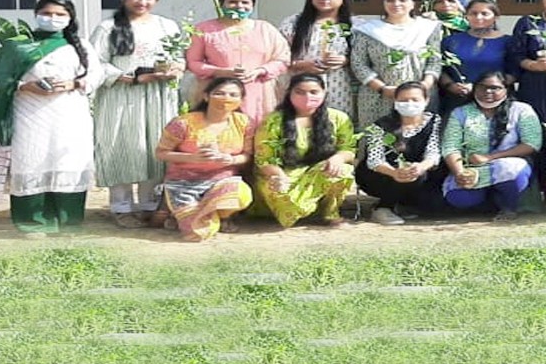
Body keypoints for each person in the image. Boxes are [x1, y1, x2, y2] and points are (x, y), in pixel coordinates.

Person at [0, 0, 98, 234]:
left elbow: (95, 75)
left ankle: (69, 222)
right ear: (36, 15)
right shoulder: (18, 46)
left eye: (60, 15)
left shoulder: (81, 46)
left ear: (70, 18)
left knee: (68, 162)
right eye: (47, 14)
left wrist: (73, 84)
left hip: (69, 115)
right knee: (30, 161)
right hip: (29, 114)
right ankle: (32, 222)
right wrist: (25, 86)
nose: (53, 18)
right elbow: (0, 81)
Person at [91, 0, 185, 228]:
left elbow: (179, 58)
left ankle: (149, 205)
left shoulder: (167, 26)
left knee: (154, 146)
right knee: (121, 146)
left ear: (156, 0)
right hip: (121, 96)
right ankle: (121, 206)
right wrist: (125, 77)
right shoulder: (108, 27)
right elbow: (95, 63)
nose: (142, 2)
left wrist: (174, 69)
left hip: (158, 96)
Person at [251, 73, 358, 229]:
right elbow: (264, 159)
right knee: (282, 196)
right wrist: (280, 177)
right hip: (282, 173)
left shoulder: (339, 118)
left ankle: (330, 213)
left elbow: (348, 149)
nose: (307, 96)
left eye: (314, 92)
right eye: (300, 92)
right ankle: (304, 209)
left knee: (343, 171)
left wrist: (337, 159)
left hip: (319, 172)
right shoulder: (273, 120)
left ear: (324, 92)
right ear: (289, 93)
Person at [154, 78, 255, 242]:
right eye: (219, 93)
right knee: (197, 234)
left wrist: (229, 159)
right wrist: (193, 158)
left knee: (241, 195)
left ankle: (214, 214)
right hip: (183, 182)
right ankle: (183, 209)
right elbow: (161, 153)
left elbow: (247, 156)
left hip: (221, 181)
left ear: (241, 100)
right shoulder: (183, 123)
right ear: (206, 96)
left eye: (233, 95)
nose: (226, 98)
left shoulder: (244, 123)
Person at [442, 70, 544, 221]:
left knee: (511, 170)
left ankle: (508, 207)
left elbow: (532, 144)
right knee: (458, 198)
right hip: (472, 169)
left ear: (506, 90)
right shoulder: (460, 113)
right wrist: (460, 173)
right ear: (475, 88)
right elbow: (451, 146)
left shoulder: (521, 110)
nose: (488, 91)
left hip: (508, 165)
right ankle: (489, 202)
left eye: (495, 88)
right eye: (482, 87)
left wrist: (490, 157)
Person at [187, 0, 289, 128]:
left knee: (257, 130)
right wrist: (221, 72)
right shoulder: (204, 29)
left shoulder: (265, 29)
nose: (239, 6)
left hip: (258, 91)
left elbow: (283, 59)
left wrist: (260, 71)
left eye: (245, 2)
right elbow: (193, 62)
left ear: (252, 5)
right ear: (222, 4)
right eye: (233, 2)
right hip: (219, 91)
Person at [351, 0, 443, 129]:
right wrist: (383, 89)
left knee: (418, 140)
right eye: (390, 0)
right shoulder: (367, 30)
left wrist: (424, 87)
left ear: (412, 3)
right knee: (376, 141)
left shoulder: (427, 28)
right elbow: (358, 64)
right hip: (377, 96)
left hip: (419, 97)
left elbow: (435, 60)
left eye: (402, 0)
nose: (396, 4)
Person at [357, 82, 445, 224]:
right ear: (395, 102)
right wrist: (394, 173)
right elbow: (374, 160)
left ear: (426, 100)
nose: (409, 104)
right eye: (403, 100)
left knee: (435, 205)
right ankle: (383, 208)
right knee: (400, 174)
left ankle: (403, 205)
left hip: (419, 172)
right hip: (381, 175)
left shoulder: (435, 121)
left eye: (415, 100)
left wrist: (421, 167)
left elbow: (433, 152)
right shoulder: (380, 125)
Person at [279, 0, 361, 124]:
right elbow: (278, 56)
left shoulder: (355, 25)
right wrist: (302, 64)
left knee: (335, 123)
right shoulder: (294, 23)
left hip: (339, 86)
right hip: (302, 83)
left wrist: (345, 60)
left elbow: (363, 58)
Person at [439, 0, 509, 112]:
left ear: (496, 17)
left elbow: (514, 72)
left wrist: (480, 88)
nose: (478, 17)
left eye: (484, 13)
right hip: (457, 100)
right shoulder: (451, 41)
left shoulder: (508, 42)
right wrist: (450, 85)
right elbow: (441, 68)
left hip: (495, 100)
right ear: (466, 16)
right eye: (473, 13)